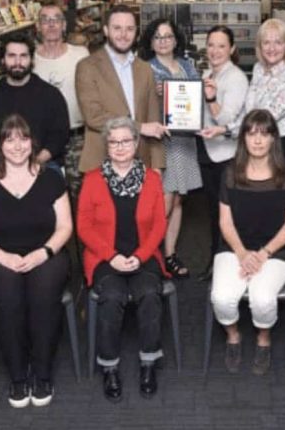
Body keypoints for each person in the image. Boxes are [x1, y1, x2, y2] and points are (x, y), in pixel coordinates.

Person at [0, 114, 71, 408]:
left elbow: (65, 227)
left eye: (23, 138)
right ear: (0, 144)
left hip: (46, 253)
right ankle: (17, 376)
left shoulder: (51, 178)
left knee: (43, 294)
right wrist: (3, 258)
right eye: (9, 139)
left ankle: (43, 372)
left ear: (32, 142)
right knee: (8, 297)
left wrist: (43, 253)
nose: (17, 146)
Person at [77, 117, 168, 403]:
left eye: (126, 141)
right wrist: (112, 257)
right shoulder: (92, 180)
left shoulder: (152, 178)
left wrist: (140, 257)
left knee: (150, 293)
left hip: (144, 255)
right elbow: (84, 226)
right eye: (114, 141)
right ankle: (109, 366)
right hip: (105, 258)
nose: (119, 147)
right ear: (107, 145)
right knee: (113, 295)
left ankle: (148, 363)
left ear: (136, 143)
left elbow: (159, 226)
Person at [210, 109, 285, 375]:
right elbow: (225, 223)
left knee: (262, 299)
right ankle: (233, 335)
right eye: (251, 134)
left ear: (274, 138)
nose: (258, 140)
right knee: (222, 298)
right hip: (234, 247)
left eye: (264, 133)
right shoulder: (230, 172)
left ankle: (263, 338)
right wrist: (241, 253)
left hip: (277, 251)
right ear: (243, 139)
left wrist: (262, 254)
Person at [140, 18, 202, 279]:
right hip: (162, 142)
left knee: (178, 200)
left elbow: (195, 100)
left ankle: (169, 254)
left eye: (168, 36)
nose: (164, 41)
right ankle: (148, 254)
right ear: (151, 42)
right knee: (163, 201)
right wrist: (151, 94)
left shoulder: (188, 66)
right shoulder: (145, 69)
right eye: (158, 37)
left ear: (176, 40)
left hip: (185, 140)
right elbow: (137, 107)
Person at [75, 4, 166, 172]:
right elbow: (93, 117)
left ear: (136, 32)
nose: (123, 35)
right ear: (106, 30)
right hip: (101, 163)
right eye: (117, 28)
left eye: (130, 29)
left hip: (141, 163)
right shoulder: (87, 67)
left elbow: (153, 120)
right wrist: (139, 127)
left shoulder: (145, 68)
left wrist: (158, 166)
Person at [197, 25, 249, 280]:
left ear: (232, 49)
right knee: (213, 210)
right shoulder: (208, 73)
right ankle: (217, 259)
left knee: (227, 213)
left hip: (225, 156)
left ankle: (225, 263)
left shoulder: (236, 78)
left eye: (221, 46)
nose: (215, 51)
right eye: (211, 45)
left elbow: (226, 119)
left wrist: (209, 99)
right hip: (208, 151)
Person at [227, 19, 285, 182]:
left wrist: (229, 129)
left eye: (278, 42)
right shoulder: (258, 70)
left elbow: (268, 115)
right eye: (266, 43)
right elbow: (250, 109)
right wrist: (225, 129)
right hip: (258, 145)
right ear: (259, 46)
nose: (272, 48)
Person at [0, 35, 70, 171]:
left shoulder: (51, 95)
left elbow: (60, 136)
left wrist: (35, 162)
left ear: (31, 60)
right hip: (2, 167)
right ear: (2, 60)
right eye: (12, 56)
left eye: (23, 56)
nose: (17, 62)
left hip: (43, 164)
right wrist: (4, 167)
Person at [33, 3, 90, 201]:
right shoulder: (30, 60)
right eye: (45, 20)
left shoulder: (80, 54)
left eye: (56, 19)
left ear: (64, 25)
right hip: (42, 141)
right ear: (38, 26)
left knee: (82, 196)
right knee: (47, 195)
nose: (51, 24)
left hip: (77, 138)